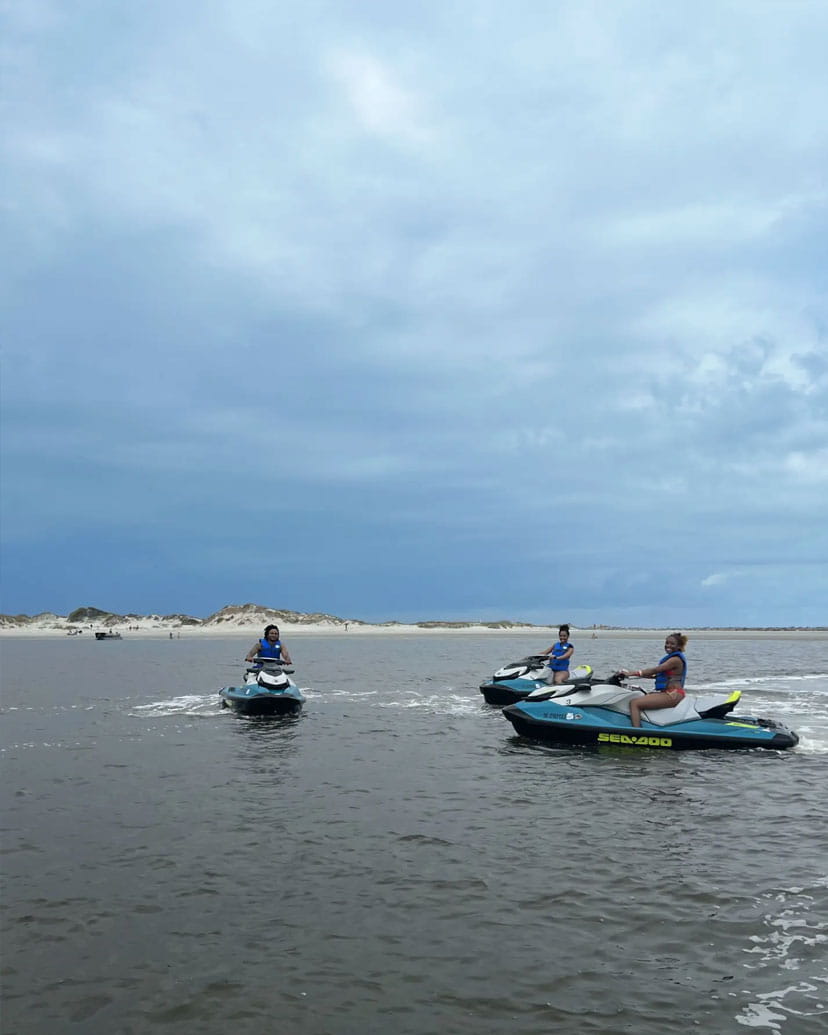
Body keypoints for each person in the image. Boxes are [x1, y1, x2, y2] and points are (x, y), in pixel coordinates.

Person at [619, 633, 688, 728]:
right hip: (668, 693)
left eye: (672, 644)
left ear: (679, 646)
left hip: (673, 694)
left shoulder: (675, 660)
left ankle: (637, 733)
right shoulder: (671, 659)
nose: (668, 646)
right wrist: (628, 675)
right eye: (667, 643)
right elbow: (656, 675)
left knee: (634, 703)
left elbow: (656, 670)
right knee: (642, 694)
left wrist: (632, 673)